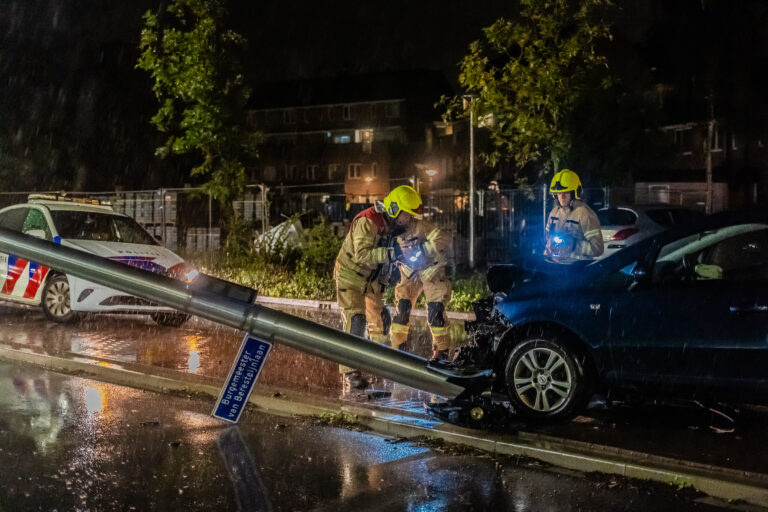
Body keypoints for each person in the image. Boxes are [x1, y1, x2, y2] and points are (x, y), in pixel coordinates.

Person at [334, 185, 424, 389]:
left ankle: (379, 364)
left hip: (372, 280)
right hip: (351, 276)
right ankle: (350, 372)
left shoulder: (394, 225)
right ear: (393, 208)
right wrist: (393, 253)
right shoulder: (368, 221)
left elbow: (397, 251)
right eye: (406, 216)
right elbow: (362, 255)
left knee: (381, 321)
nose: (408, 221)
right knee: (355, 320)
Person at [390, 217, 453, 361]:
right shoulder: (392, 230)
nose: (401, 218)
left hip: (431, 271)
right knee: (402, 309)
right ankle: (398, 349)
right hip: (408, 272)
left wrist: (423, 250)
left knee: (435, 310)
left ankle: (441, 351)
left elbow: (443, 238)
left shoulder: (421, 226)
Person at [544, 169, 604, 261]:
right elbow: (547, 238)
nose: (562, 196)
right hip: (557, 266)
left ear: (574, 193)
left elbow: (598, 249)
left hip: (578, 268)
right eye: (559, 193)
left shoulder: (584, 213)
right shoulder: (554, 213)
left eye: (566, 192)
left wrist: (574, 245)